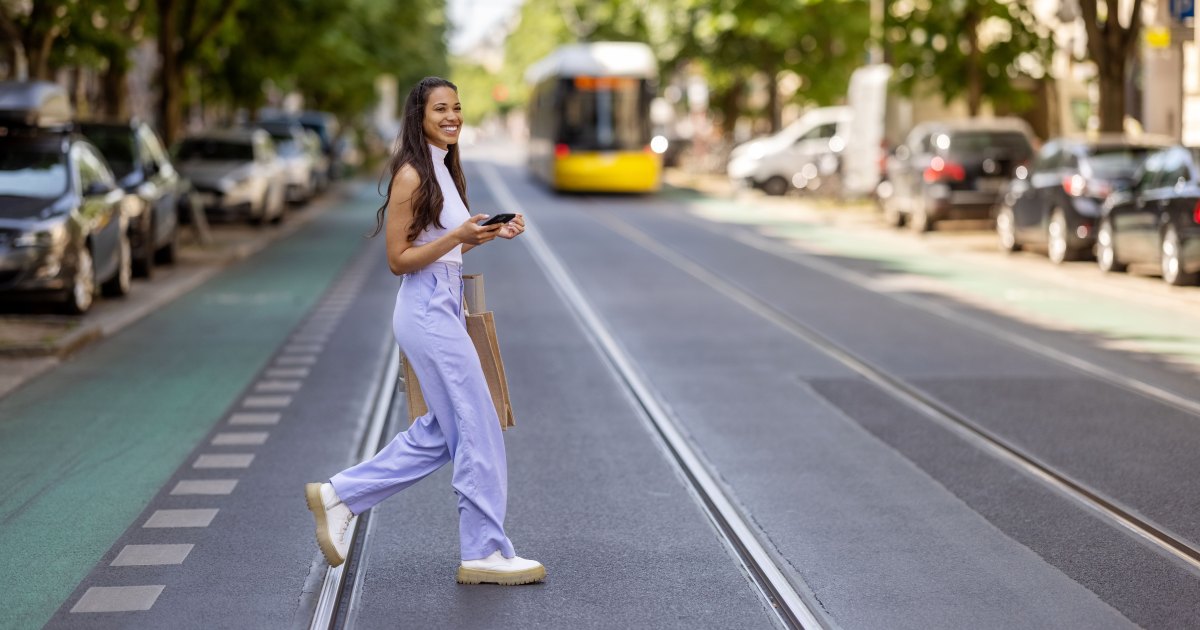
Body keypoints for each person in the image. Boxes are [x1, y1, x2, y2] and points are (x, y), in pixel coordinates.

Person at [305, 77, 544, 586]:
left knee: (443, 431)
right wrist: (458, 235)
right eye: (441, 108)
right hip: (426, 309)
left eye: (457, 107)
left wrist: (482, 235)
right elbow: (398, 260)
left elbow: (445, 248)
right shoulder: (411, 174)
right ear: (419, 116)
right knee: (478, 423)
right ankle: (484, 551)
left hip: (444, 303)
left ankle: (340, 495)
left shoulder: (444, 169)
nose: (452, 115)